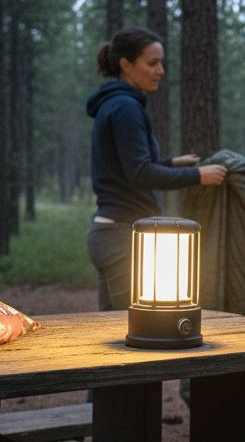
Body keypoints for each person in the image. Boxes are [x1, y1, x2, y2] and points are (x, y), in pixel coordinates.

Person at [86, 27, 227, 311]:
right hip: (121, 237)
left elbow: (127, 169)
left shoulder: (116, 103)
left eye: (161, 63)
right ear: (126, 64)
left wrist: (171, 163)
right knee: (136, 328)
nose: (160, 70)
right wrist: (199, 175)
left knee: (113, 332)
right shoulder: (125, 107)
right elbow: (140, 175)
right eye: (152, 63)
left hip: (111, 233)